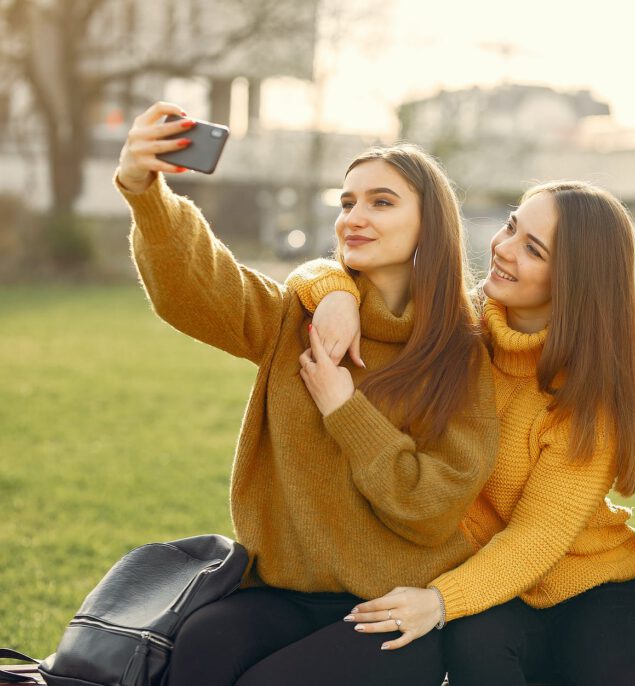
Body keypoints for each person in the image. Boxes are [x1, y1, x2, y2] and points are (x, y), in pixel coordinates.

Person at [114, 102, 499, 686]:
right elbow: (197, 287)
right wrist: (146, 192)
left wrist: (346, 410)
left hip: (391, 608)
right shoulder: (296, 317)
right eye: (347, 202)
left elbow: (432, 508)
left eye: (381, 201)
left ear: (431, 224)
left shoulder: (461, 351)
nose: (354, 217)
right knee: (198, 652)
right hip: (280, 591)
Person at [289, 181, 635, 684]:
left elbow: (537, 537)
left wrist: (440, 602)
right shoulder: (453, 328)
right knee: (477, 651)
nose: (503, 248)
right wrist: (335, 292)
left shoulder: (591, 393)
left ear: (576, 280)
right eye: (512, 225)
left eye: (533, 249)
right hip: (485, 582)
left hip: (590, 583)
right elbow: (333, 272)